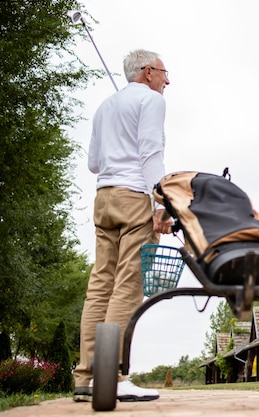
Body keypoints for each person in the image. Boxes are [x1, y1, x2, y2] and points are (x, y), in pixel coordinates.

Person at [73, 49, 172, 402]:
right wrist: (162, 203)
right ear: (147, 72)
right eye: (163, 72)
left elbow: (94, 163)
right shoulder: (152, 102)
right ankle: (110, 376)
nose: (167, 80)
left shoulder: (104, 107)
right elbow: (150, 153)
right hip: (134, 197)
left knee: (100, 285)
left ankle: (85, 377)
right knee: (128, 287)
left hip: (104, 199)